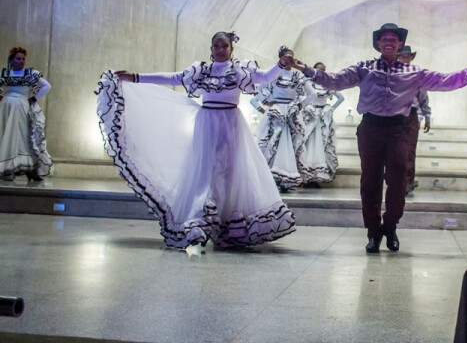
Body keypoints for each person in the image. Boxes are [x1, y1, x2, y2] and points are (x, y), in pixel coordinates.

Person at [293, 23, 467, 254]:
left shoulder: (414, 73)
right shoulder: (364, 68)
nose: (389, 41)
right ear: (378, 44)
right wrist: (306, 70)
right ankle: (373, 232)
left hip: (398, 130)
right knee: (370, 182)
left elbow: (447, 80)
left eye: (394, 38)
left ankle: (390, 226)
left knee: (399, 180)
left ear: (400, 44)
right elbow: (335, 80)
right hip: (370, 128)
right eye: (385, 38)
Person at [95, 32, 296, 252]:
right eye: (216, 46)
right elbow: (172, 78)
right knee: (204, 172)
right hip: (207, 123)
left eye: (224, 46)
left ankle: (229, 225)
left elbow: (265, 77)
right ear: (211, 49)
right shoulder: (200, 71)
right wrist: (136, 77)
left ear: (231, 49)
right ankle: (198, 222)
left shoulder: (240, 70)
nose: (220, 50)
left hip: (231, 125)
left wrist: (281, 65)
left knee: (230, 175)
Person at [251, 46, 309, 192]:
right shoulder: (275, 73)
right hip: (276, 111)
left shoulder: (297, 75)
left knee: (289, 143)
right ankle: (271, 177)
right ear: (281, 58)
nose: (289, 60)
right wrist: (265, 103)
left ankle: (285, 177)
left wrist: (299, 105)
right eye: (286, 57)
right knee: (271, 141)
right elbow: (259, 89)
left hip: (289, 111)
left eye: (291, 57)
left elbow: (312, 93)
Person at [0, 47, 53, 182]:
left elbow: (47, 86)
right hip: (6, 107)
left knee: (23, 136)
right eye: (18, 58)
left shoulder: (30, 73)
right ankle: (7, 169)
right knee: (6, 135)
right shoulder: (5, 73)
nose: (22, 61)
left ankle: (29, 168)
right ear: (12, 60)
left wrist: (35, 98)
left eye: (23, 59)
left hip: (22, 107)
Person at [299, 62, 344, 187]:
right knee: (307, 143)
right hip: (310, 115)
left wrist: (331, 108)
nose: (321, 72)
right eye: (318, 70)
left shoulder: (327, 84)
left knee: (321, 144)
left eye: (323, 70)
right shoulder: (307, 83)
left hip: (323, 118)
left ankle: (316, 176)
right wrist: (304, 106)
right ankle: (305, 175)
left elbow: (340, 97)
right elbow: (299, 96)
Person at [396, 46, 430, 197]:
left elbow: (423, 98)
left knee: (410, 150)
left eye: (408, 56)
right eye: (403, 56)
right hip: (394, 116)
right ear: (398, 57)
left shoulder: (417, 76)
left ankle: (408, 181)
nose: (405, 58)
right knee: (395, 151)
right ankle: (397, 181)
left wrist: (427, 117)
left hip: (411, 115)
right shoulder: (392, 74)